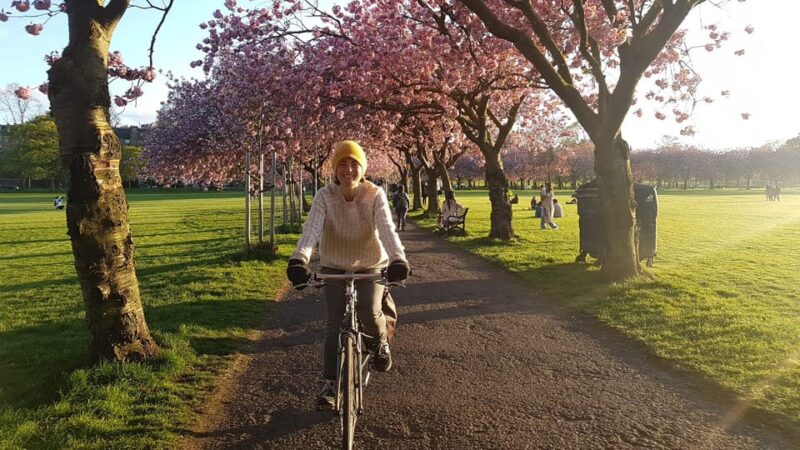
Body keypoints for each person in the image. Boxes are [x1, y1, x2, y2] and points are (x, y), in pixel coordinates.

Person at [286, 140, 410, 411]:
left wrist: (398, 258)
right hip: (335, 266)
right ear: (334, 168)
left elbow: (387, 230)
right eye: (342, 163)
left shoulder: (374, 194)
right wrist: (300, 259)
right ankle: (330, 385)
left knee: (368, 307)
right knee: (333, 323)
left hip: (370, 265)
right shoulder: (324, 196)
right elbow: (312, 230)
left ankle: (380, 345)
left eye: (354, 163)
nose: (348, 169)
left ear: (362, 168)